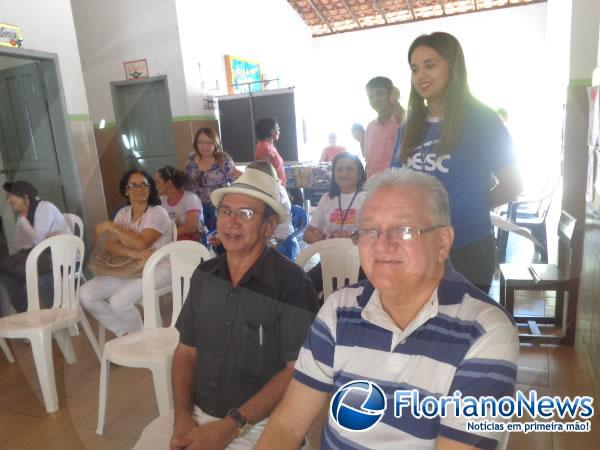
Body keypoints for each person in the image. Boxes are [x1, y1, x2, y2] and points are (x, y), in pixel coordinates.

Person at [255, 168, 519, 450]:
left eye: (404, 230)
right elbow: (287, 424)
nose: (382, 245)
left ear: (442, 242)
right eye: (369, 230)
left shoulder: (485, 331)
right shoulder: (340, 309)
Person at [133, 167, 319, 450]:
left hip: (260, 424)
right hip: (197, 414)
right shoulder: (205, 274)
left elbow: (296, 372)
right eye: (225, 211)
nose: (232, 223)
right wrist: (182, 416)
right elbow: (186, 351)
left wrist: (231, 427)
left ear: (269, 226)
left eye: (246, 214)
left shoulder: (292, 285)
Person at [391, 32, 523, 293]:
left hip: (467, 249)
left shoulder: (482, 120)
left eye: (430, 65)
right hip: (415, 250)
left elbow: (514, 184)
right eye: (415, 69)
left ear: (453, 66)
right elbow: (396, 182)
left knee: (461, 331)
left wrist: (470, 207)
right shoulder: (410, 126)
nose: (421, 75)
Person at [80, 169, 173, 337]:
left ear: (150, 189)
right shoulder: (123, 214)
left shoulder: (158, 213)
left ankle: (140, 341)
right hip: (129, 267)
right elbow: (111, 245)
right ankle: (123, 332)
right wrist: (135, 255)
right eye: (134, 185)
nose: (140, 189)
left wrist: (113, 227)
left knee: (118, 302)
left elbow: (141, 243)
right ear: (126, 190)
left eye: (144, 185)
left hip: (159, 268)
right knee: (86, 294)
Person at [0, 181, 71, 316]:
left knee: (40, 278)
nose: (8, 200)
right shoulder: (25, 215)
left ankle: (59, 316)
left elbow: (38, 240)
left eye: (11, 196)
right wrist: (27, 227)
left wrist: (24, 222)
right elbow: (19, 245)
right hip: (41, 258)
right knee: (7, 277)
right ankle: (27, 316)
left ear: (25, 196)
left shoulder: (45, 207)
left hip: (60, 257)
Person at [303, 152, 366, 294]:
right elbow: (307, 234)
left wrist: (352, 238)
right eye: (339, 169)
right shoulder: (327, 199)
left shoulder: (367, 197)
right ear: (333, 173)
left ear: (360, 174)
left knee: (353, 295)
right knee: (302, 287)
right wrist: (314, 238)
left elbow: (374, 234)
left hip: (360, 263)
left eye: (350, 169)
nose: (344, 173)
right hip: (329, 261)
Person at [185, 127, 237, 233]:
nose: (205, 146)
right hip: (196, 207)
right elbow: (186, 181)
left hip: (218, 207)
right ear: (196, 143)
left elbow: (236, 181)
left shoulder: (223, 159)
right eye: (201, 142)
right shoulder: (191, 158)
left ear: (215, 143)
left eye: (209, 142)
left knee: (218, 239)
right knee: (201, 238)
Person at [364, 76, 405, 177]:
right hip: (371, 187)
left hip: (396, 187)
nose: (375, 100)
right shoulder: (370, 127)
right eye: (370, 96)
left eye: (380, 93)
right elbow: (369, 162)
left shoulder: (403, 123)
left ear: (391, 95)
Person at [155, 166, 205, 241]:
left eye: (157, 182)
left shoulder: (191, 198)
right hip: (173, 240)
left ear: (169, 183)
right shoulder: (161, 201)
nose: (155, 186)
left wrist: (167, 235)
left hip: (195, 242)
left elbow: (192, 227)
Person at [255, 117, 287, 186]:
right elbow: (267, 174)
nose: (279, 130)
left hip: (279, 187)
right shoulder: (264, 148)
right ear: (270, 130)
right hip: (274, 189)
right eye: (277, 128)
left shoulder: (269, 146)